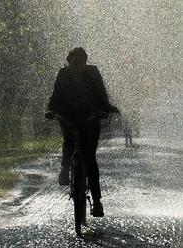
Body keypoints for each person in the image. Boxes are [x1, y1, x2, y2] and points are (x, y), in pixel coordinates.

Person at [45, 47, 119, 217]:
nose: (77, 66)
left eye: (81, 62)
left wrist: (105, 109)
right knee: (69, 142)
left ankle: (97, 202)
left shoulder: (93, 73)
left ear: (86, 62)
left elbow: (102, 94)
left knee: (90, 158)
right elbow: (55, 96)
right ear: (69, 62)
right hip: (68, 116)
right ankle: (64, 168)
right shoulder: (63, 74)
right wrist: (51, 110)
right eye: (74, 63)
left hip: (90, 117)